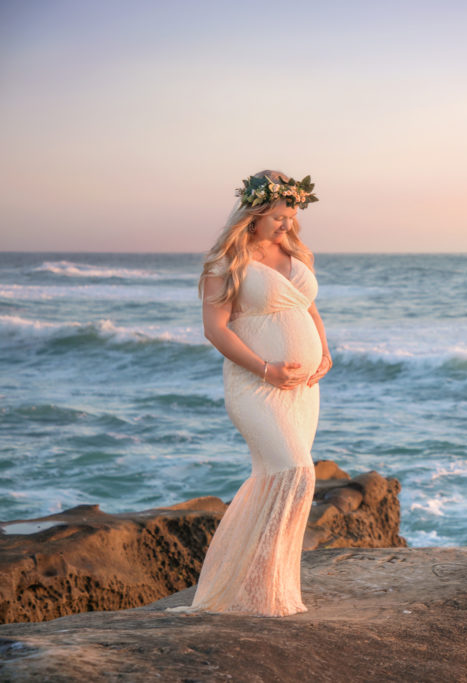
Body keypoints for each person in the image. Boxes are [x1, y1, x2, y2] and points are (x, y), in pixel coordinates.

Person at [167, 170, 331, 617]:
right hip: (255, 385)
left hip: (300, 389)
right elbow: (214, 329)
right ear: (254, 215)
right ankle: (247, 585)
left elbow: (309, 308)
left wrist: (324, 351)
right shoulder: (227, 263)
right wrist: (266, 368)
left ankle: (266, 587)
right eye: (278, 216)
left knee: (282, 478)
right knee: (295, 472)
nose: (287, 224)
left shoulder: (295, 252)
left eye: (291, 215)